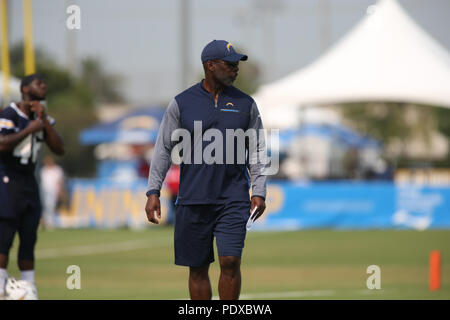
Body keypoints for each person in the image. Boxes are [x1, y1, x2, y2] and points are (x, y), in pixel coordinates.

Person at [145, 40, 267, 300]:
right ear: (210, 66)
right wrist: (153, 190)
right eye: (230, 64)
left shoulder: (246, 104)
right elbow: (163, 148)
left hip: (232, 198)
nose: (236, 69)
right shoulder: (181, 103)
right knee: (198, 269)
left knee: (230, 261)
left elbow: (257, 149)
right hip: (192, 199)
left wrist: (259, 189)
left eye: (237, 65)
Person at [0, 73, 65, 299]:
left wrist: (44, 121)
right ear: (25, 88)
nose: (44, 86)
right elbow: (1, 144)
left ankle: (30, 288)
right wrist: (30, 128)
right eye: (39, 83)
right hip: (9, 180)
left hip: (30, 182)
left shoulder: (41, 115)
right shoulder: (9, 113)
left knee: (29, 237)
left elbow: (59, 148)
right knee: (4, 237)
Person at [40, 155, 65, 229]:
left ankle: (51, 223)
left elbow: (60, 181)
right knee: (45, 206)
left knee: (51, 206)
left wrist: (60, 191)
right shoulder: (43, 170)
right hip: (44, 190)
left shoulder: (57, 170)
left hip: (53, 191)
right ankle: (45, 222)